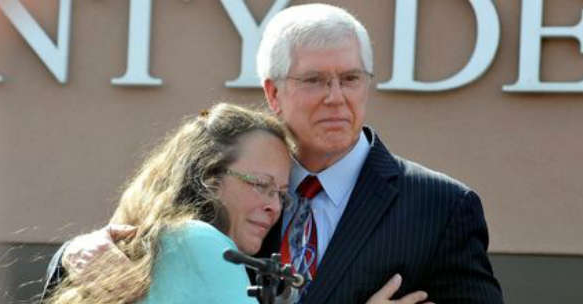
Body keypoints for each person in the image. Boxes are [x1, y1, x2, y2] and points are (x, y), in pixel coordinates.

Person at [44, 3, 503, 304]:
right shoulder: (231, 186)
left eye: (351, 78)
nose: (336, 97)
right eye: (315, 80)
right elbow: (143, 264)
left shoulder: (441, 207)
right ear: (273, 92)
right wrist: (76, 253)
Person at [44, 103, 294, 303]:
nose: (275, 207)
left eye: (281, 194)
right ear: (210, 178)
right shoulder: (199, 243)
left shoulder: (149, 246)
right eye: (261, 184)